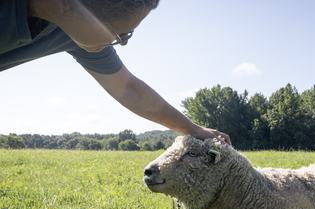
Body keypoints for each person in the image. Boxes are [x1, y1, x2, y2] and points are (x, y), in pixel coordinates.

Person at [0, 0, 231, 144]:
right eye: (121, 34)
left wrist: (193, 129)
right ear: (82, 10)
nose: (121, 42)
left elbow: (128, 88)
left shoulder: (74, 34)